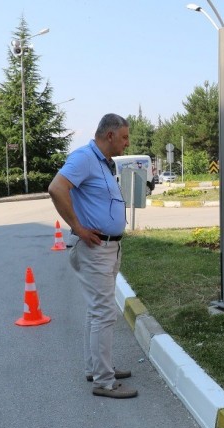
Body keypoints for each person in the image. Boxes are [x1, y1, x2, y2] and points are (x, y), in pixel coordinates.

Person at [48, 113, 137, 399]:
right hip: (95, 249)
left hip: (110, 247)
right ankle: (104, 381)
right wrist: (78, 227)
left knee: (97, 311)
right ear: (109, 135)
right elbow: (56, 188)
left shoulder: (102, 163)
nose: (127, 142)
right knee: (103, 312)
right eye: (124, 137)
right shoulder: (85, 157)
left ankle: (97, 367)